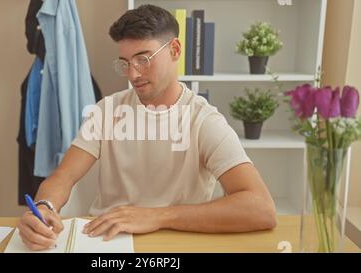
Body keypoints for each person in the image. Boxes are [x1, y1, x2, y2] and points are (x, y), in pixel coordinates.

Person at [17, 4, 277, 251]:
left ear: (175, 50)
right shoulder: (107, 110)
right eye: (125, 63)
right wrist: (44, 206)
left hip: (178, 243)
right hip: (106, 241)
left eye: (143, 59)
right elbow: (64, 176)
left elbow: (260, 208)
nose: (133, 74)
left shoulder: (204, 120)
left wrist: (157, 216)